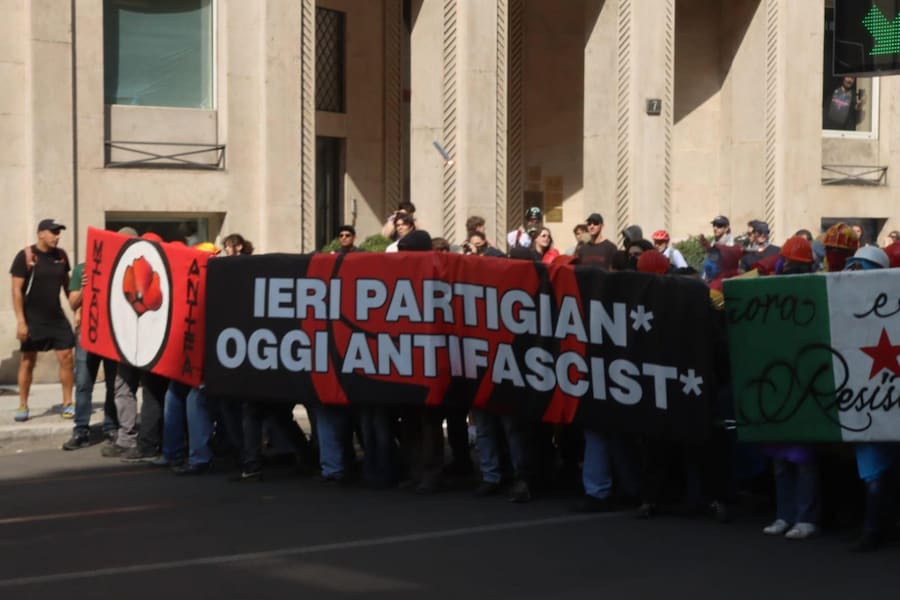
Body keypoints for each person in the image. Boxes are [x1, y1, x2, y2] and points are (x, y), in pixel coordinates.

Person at [761, 236, 821, 541]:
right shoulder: (768, 291)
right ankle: (785, 515)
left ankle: (806, 517)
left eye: (795, 265)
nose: (789, 269)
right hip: (780, 386)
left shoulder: (818, 290)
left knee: (804, 462)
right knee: (781, 463)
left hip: (806, 386)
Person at [61, 228, 131, 449]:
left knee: (113, 383)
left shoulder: (122, 268)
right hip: (87, 336)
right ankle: (81, 430)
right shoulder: (81, 269)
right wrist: (84, 286)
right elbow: (72, 304)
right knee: (83, 383)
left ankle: (111, 427)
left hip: (111, 335)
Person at [9, 219, 76, 423]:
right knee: (28, 361)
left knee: (66, 357)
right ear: (41, 234)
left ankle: (67, 403)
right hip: (33, 318)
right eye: (53, 232)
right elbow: (16, 291)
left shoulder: (61, 257)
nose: (57, 236)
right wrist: (21, 321)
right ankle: (23, 404)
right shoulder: (26, 256)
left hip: (56, 317)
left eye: (59, 232)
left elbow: (67, 287)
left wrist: (77, 311)